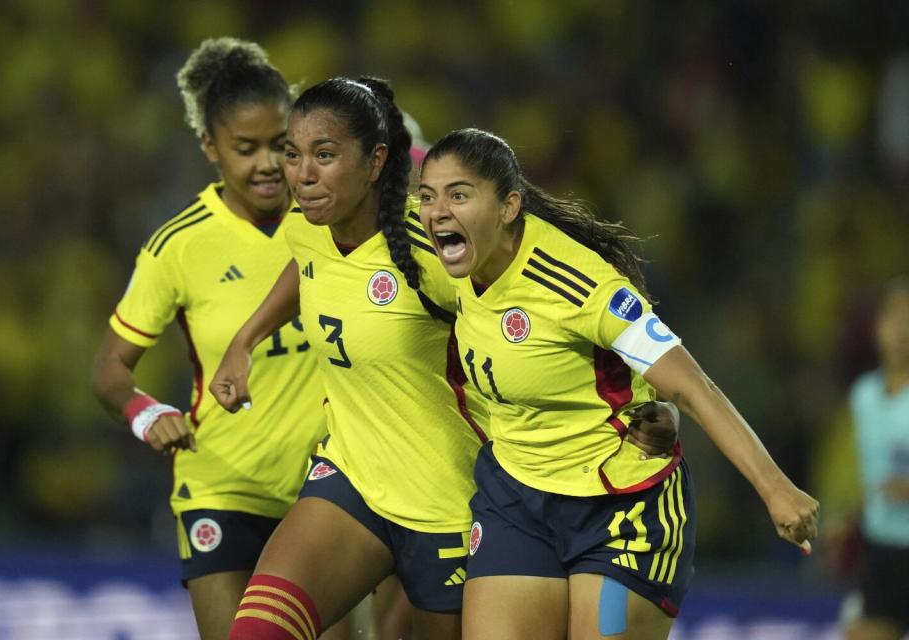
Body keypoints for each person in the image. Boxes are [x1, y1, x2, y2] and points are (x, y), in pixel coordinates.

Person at [208, 77, 681, 640]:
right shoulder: (308, 227)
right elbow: (308, 268)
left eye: (325, 155)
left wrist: (651, 404)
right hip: (351, 482)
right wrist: (246, 340)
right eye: (294, 155)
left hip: (454, 508)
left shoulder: (437, 250)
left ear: (375, 161)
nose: (302, 174)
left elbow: (555, 306)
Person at [416, 127, 821, 640]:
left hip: (620, 510)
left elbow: (689, 385)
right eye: (427, 196)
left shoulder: (581, 284)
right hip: (516, 500)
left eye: (459, 194)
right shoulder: (440, 253)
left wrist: (775, 489)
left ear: (508, 206)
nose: (436, 211)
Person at [90, 38, 331, 640]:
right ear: (210, 149)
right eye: (245, 149)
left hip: (329, 489)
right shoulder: (179, 246)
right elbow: (109, 370)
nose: (268, 165)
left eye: (280, 145)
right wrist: (147, 414)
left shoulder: (332, 220)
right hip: (222, 487)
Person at [843, 276, 909, 640]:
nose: (901, 329)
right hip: (882, 551)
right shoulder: (864, 396)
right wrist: (851, 519)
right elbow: (874, 477)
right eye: (894, 318)